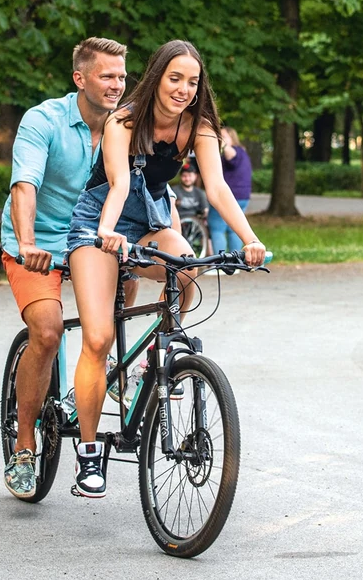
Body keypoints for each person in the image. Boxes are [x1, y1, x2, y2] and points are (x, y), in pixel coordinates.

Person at [64, 40, 266, 497]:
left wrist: (249, 239)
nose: (183, 89)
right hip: (101, 222)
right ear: (157, 76)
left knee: (187, 268)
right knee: (97, 338)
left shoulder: (200, 127)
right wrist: (109, 235)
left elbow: (216, 189)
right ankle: (90, 454)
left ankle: (157, 354)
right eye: (175, 78)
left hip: (152, 221)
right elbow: (117, 185)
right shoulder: (124, 119)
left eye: (192, 82)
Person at [0, 37, 134, 500]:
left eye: (121, 76)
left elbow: (146, 183)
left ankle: (101, 372)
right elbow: (24, 185)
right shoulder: (44, 120)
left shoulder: (127, 124)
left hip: (92, 240)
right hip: (38, 242)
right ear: (80, 78)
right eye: (107, 76)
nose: (117, 85)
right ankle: (23, 443)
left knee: (135, 269)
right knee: (49, 330)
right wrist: (28, 242)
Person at [206, 126, 253, 256]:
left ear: (232, 138)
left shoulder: (234, 152)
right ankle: (235, 261)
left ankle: (220, 262)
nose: (219, 139)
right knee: (235, 229)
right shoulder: (243, 153)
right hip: (243, 196)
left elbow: (230, 154)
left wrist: (222, 144)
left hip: (227, 197)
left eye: (223, 136)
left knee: (217, 228)